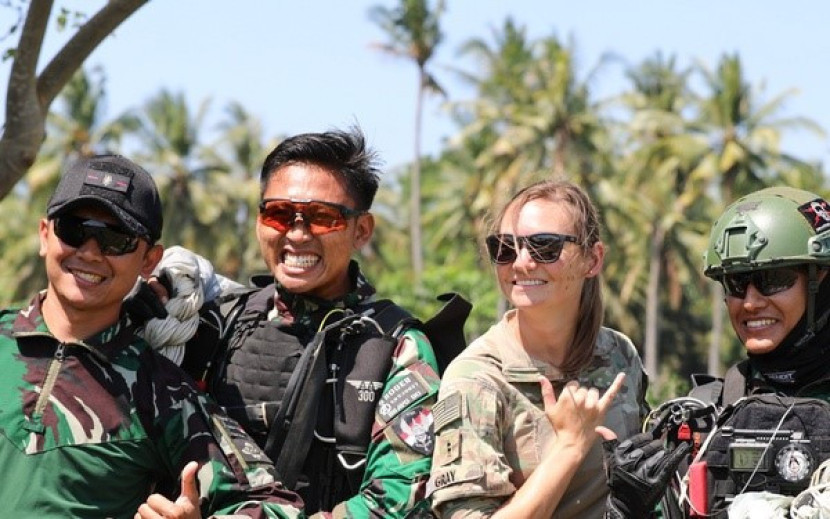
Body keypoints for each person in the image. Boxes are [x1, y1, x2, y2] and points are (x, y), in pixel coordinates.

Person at [150, 127, 443, 518]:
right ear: (259, 221)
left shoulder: (395, 347)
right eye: (280, 214)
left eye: (323, 217)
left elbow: (398, 501)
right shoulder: (214, 323)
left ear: (362, 230)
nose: (298, 233)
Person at [0, 154, 303, 517]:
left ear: (149, 261)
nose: (91, 253)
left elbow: (273, 505)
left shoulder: (163, 393)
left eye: (116, 239)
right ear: (45, 235)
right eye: (74, 229)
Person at [427, 179, 650, 518]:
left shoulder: (619, 354)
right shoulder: (477, 378)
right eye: (505, 247)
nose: (521, 263)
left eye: (545, 246)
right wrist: (570, 446)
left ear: (592, 259)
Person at [605, 186, 830, 518]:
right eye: (736, 283)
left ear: (822, 283)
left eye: (773, 279)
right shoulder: (701, 415)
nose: (751, 302)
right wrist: (626, 507)